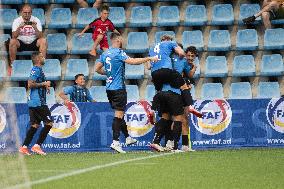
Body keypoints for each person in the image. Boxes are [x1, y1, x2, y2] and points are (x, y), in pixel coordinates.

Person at [95, 32, 158, 153]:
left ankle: (128, 138)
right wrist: (148, 58)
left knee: (120, 114)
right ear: (117, 40)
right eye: (122, 39)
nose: (123, 41)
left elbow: (97, 69)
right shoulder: (119, 52)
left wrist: (108, 74)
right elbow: (132, 61)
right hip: (119, 88)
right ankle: (115, 142)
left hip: (109, 89)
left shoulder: (105, 53)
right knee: (118, 115)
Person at [148, 35, 199, 117]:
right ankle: (190, 106)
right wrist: (193, 68)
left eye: (192, 56)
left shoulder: (154, 50)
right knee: (179, 119)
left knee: (166, 117)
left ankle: (152, 110)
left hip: (162, 86)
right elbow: (189, 74)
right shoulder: (179, 58)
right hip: (176, 92)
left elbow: (149, 66)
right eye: (188, 55)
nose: (190, 58)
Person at [19, 52, 52, 156]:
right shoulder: (35, 69)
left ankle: (24, 147)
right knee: (49, 123)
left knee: (35, 125)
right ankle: (37, 146)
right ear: (38, 59)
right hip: (38, 102)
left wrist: (44, 86)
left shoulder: (39, 70)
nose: (44, 58)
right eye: (42, 56)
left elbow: (35, 84)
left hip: (34, 102)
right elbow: (30, 84)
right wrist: (44, 83)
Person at [9, 4, 47, 75]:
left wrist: (35, 28)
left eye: (29, 13)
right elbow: (14, 36)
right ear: (21, 12)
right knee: (12, 41)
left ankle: (41, 66)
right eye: (25, 13)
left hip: (33, 42)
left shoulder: (36, 20)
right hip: (21, 43)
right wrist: (19, 27)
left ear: (31, 13)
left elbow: (40, 36)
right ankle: (12, 65)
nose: (27, 14)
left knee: (43, 41)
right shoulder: (17, 21)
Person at [150, 84, 185, 152]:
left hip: (161, 94)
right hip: (174, 95)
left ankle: (157, 142)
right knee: (178, 119)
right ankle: (174, 146)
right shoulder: (179, 76)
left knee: (165, 118)